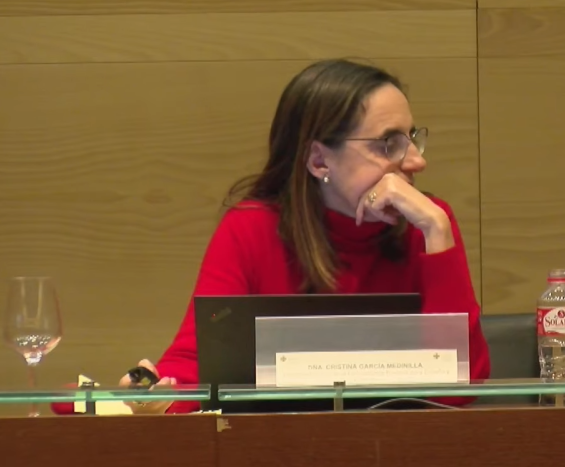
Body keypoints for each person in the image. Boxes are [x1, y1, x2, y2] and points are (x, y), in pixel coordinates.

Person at [123, 58, 491, 414]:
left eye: (412, 138)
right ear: (319, 161)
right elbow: (195, 365)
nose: (415, 161)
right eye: (388, 143)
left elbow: (461, 388)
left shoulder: (427, 223)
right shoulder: (251, 229)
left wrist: (437, 231)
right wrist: (147, 391)